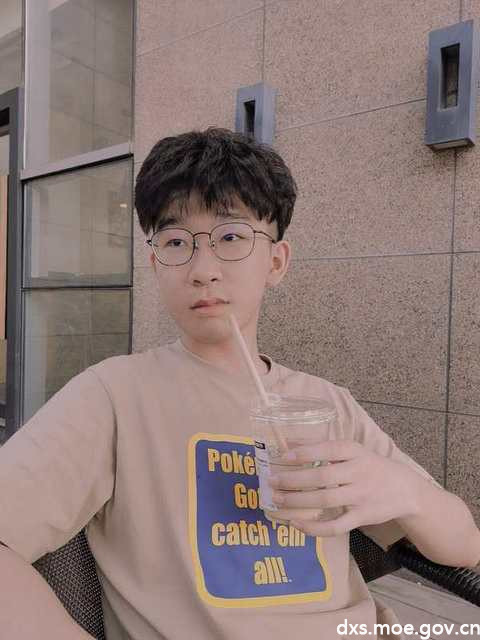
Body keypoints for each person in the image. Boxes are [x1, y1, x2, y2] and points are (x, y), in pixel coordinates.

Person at [0, 127, 479, 640]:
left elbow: (464, 546)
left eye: (231, 237)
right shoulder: (113, 396)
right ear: (155, 263)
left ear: (276, 262)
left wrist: (404, 491)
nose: (203, 270)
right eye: (176, 242)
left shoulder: (327, 405)